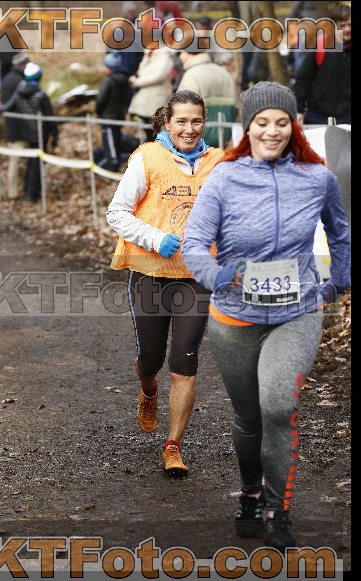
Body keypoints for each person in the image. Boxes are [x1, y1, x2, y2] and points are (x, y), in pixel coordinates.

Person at [181, 81, 351, 550]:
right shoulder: (224, 178)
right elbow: (194, 243)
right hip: (236, 318)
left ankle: (278, 508)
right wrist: (218, 276)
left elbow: (339, 231)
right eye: (262, 122)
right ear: (247, 127)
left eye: (281, 122)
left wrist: (339, 280)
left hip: (297, 312)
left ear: (294, 125)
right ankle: (251, 492)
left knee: (278, 406)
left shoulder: (317, 178)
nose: (272, 131)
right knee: (249, 417)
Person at [106, 90, 224, 476]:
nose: (189, 129)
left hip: (195, 276)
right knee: (151, 359)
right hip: (151, 272)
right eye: (181, 121)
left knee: (183, 363)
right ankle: (148, 389)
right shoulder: (148, 158)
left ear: (205, 122)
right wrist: (155, 238)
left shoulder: (219, 162)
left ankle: (173, 446)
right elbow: (117, 212)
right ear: (168, 123)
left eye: (196, 121)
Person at [0, 62, 58, 203]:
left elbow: (8, 105)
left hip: (27, 133)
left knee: (31, 163)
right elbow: (50, 117)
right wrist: (55, 135)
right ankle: (32, 194)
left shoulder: (20, 91)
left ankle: (28, 190)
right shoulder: (40, 94)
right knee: (37, 165)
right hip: (40, 134)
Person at [292, 4, 351, 125]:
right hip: (317, 117)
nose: (347, 29)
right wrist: (299, 110)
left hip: (347, 118)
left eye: (350, 25)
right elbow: (303, 78)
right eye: (343, 26)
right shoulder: (321, 45)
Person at [177, 50, 237, 147]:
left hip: (199, 139)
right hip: (225, 135)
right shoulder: (224, 73)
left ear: (190, 52)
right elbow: (235, 106)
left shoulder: (191, 75)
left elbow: (182, 108)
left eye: (182, 53)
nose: (180, 57)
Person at [0, 51, 31, 200]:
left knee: (17, 161)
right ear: (22, 64)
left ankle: (16, 191)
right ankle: (16, 193)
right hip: (19, 129)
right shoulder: (18, 81)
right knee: (18, 162)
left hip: (12, 127)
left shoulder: (7, 78)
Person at [128, 47, 174, 142]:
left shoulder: (165, 56)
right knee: (147, 130)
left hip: (155, 99)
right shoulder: (149, 54)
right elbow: (141, 71)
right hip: (145, 99)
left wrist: (138, 82)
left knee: (155, 130)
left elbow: (159, 76)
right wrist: (146, 56)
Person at [94, 52, 130, 172]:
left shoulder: (108, 81)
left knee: (110, 141)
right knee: (116, 139)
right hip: (119, 115)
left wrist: (98, 111)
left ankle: (113, 164)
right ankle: (115, 161)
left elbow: (101, 99)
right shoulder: (124, 81)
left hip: (108, 117)